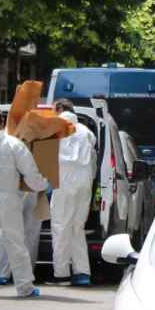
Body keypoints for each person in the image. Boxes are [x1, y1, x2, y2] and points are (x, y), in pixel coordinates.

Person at [0, 108, 48, 298]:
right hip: (8, 197)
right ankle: (24, 287)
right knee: (15, 242)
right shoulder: (14, 144)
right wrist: (42, 185)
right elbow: (29, 171)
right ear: (2, 122)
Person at [50, 99, 97, 286]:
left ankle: (61, 274)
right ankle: (82, 272)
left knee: (61, 227)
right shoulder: (87, 132)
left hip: (63, 182)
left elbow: (46, 158)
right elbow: (93, 160)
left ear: (60, 109)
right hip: (84, 184)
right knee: (77, 228)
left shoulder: (54, 128)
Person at [0, 193, 42, 286]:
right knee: (30, 233)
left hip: (10, 189)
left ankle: (3, 274)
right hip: (32, 187)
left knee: (7, 231)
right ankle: (26, 274)